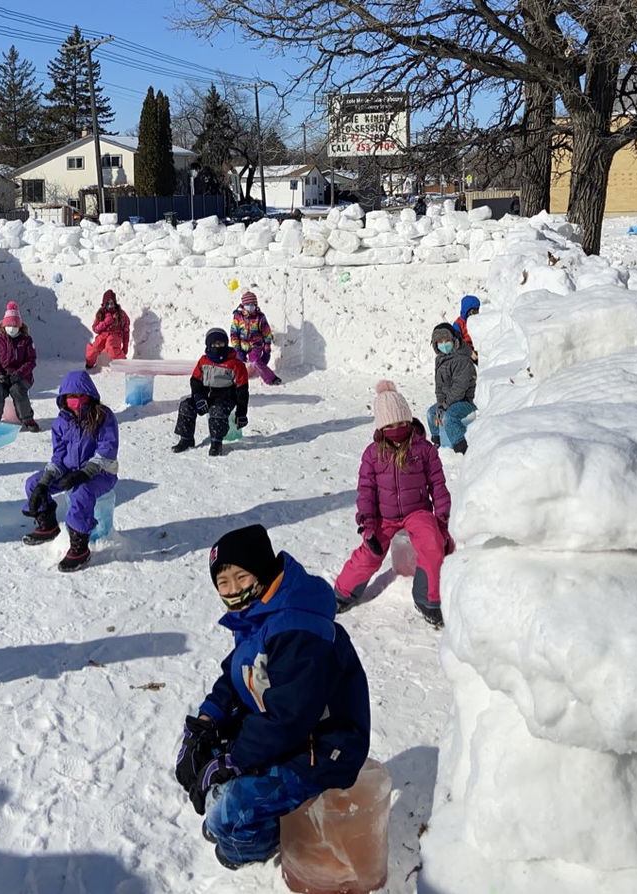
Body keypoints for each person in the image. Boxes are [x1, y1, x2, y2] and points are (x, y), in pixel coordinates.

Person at [176, 524, 372, 870]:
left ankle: (248, 847)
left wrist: (232, 760)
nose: (233, 589)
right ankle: (239, 815)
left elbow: (290, 718)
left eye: (241, 576)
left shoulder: (297, 628)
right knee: (213, 763)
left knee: (230, 810)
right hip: (290, 733)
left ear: (262, 571)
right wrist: (207, 720)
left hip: (326, 747)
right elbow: (238, 675)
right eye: (224, 583)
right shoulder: (257, 615)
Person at [335, 381, 450, 627]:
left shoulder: (424, 450)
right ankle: (343, 593)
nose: (397, 429)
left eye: (402, 423)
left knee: (432, 543)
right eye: (390, 425)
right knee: (370, 552)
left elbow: (438, 485)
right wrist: (367, 525)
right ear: (381, 427)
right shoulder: (372, 454)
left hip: (418, 511)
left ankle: (429, 599)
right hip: (384, 517)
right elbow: (365, 492)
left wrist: (441, 519)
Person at [22, 371, 118, 572]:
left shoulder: (103, 416)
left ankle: (80, 547)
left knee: (81, 493)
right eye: (69, 396)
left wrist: (84, 473)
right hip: (68, 470)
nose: (74, 400)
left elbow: (107, 450)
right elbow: (58, 456)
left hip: (101, 472)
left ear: (88, 395)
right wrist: (45, 481)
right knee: (33, 483)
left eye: (78, 395)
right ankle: (47, 524)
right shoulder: (61, 422)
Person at [172, 329, 250, 457]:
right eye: (214, 344)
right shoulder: (204, 361)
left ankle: (216, 442)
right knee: (186, 405)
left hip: (226, 397)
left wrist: (241, 413)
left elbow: (242, 390)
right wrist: (198, 397)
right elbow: (195, 381)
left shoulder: (236, 364)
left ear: (226, 344)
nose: (217, 347)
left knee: (217, 410)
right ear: (208, 345)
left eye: (220, 344)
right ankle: (186, 439)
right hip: (205, 396)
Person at [0, 301, 40, 432]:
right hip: (3, 376)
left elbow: (31, 361)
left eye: (15, 325)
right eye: (9, 324)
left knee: (17, 390)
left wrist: (19, 374)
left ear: (19, 325)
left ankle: (27, 418)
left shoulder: (26, 340)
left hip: (22, 376)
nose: (12, 327)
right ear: (4, 325)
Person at [428, 323, 476, 453]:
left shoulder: (462, 359)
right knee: (431, 413)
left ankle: (462, 448)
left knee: (449, 417)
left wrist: (445, 405)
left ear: (454, 340)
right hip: (449, 401)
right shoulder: (440, 360)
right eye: (440, 342)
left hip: (466, 401)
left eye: (447, 341)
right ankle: (437, 444)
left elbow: (459, 388)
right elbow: (439, 386)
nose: (444, 344)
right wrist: (440, 404)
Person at [229, 290, 280, 385]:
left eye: (253, 304)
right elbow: (234, 334)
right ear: (243, 305)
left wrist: (267, 348)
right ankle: (233, 379)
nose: (250, 307)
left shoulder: (260, 317)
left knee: (255, 361)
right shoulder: (238, 317)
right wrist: (237, 349)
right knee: (233, 360)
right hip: (241, 345)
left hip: (255, 345)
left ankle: (271, 378)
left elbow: (266, 333)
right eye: (248, 304)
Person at [85, 289, 130, 369]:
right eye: (108, 304)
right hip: (103, 335)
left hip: (115, 335)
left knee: (111, 346)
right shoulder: (101, 313)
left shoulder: (121, 314)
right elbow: (95, 329)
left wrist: (125, 346)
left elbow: (126, 330)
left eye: (112, 303)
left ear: (115, 303)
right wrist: (105, 323)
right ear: (104, 304)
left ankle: (124, 364)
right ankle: (89, 364)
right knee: (94, 348)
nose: (110, 306)